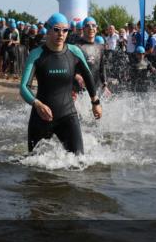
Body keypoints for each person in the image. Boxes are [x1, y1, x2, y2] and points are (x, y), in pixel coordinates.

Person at [19, 13, 101, 154]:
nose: (61, 34)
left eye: (65, 30)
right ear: (48, 30)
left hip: (67, 115)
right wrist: (37, 104)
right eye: (56, 29)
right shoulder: (37, 54)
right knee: (34, 165)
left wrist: (95, 102)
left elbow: (88, 76)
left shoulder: (74, 52)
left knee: (79, 160)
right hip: (41, 117)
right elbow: (23, 87)